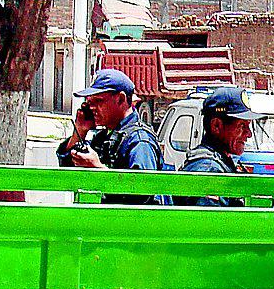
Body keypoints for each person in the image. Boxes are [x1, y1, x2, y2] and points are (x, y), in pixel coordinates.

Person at [57, 68, 169, 205]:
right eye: (89, 102)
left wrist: (98, 169)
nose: (92, 107)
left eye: (98, 101)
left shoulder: (139, 141)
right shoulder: (104, 137)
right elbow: (66, 170)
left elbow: (142, 193)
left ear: (121, 99)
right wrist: (80, 131)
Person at [180, 86, 258, 207]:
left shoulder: (221, 163)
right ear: (216, 126)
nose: (249, 134)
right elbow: (211, 223)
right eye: (242, 125)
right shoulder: (208, 170)